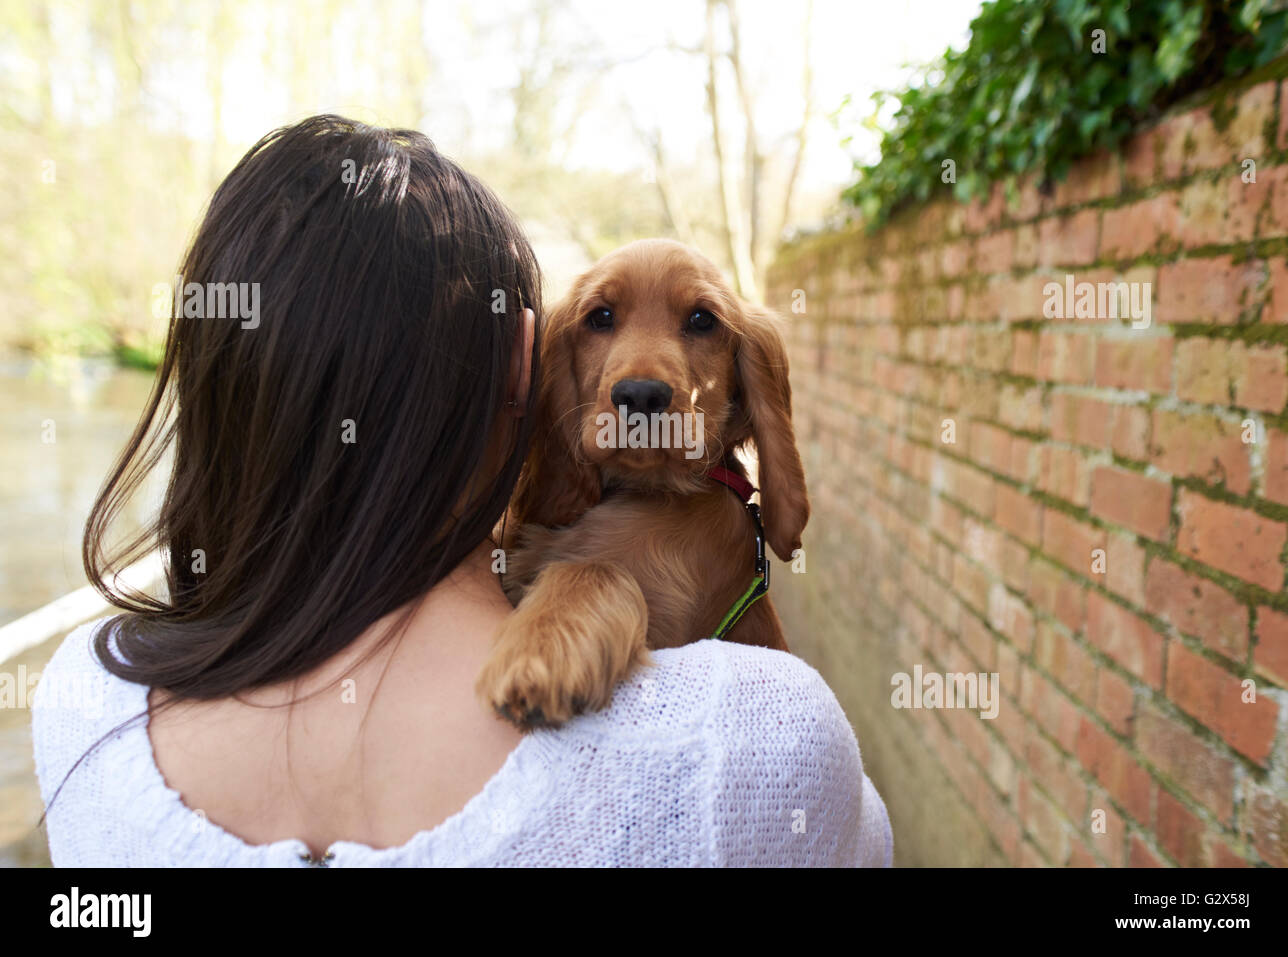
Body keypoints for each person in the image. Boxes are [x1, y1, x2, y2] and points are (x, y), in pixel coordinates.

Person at [31, 115, 891, 867]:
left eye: (698, 321)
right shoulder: (762, 743)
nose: (640, 373)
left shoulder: (84, 705)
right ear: (531, 364)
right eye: (599, 320)